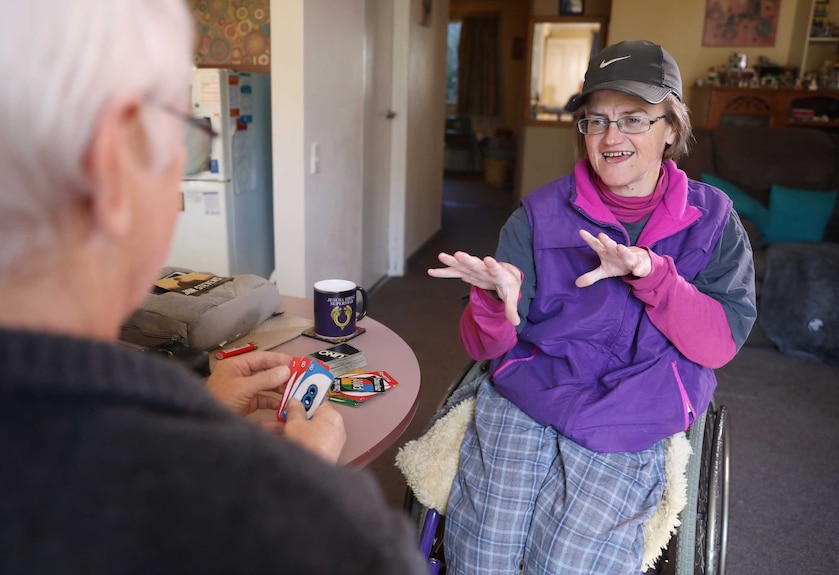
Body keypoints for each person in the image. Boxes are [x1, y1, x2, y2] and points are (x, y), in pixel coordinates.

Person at [0, 1, 425, 573]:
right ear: (115, 165)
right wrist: (304, 486)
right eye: (185, 133)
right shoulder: (305, 524)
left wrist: (200, 407)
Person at [428, 40, 756, 574]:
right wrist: (493, 303)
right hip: (535, 388)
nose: (611, 137)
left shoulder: (713, 221)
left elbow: (718, 344)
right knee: (483, 555)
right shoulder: (537, 215)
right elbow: (484, 346)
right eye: (595, 120)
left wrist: (655, 278)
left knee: (569, 563)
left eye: (633, 119)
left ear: (671, 127)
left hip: (638, 402)